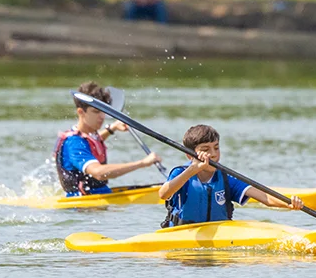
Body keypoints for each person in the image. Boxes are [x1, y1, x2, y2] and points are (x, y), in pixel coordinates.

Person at [157, 124, 302, 227]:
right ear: (190, 155)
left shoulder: (226, 178)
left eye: (216, 147)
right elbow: (163, 194)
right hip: (183, 233)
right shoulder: (181, 173)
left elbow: (265, 198)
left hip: (220, 232)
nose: (213, 154)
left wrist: (288, 203)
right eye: (205, 149)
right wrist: (192, 170)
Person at [55, 81, 160, 196]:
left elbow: (92, 144)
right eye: (96, 111)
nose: (102, 117)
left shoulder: (87, 136)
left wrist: (112, 128)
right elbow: (99, 173)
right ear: (81, 112)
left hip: (100, 195)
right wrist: (142, 163)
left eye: (103, 111)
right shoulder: (74, 143)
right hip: (84, 208)